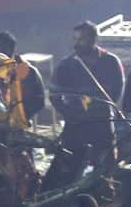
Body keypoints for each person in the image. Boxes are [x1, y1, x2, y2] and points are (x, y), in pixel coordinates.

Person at [50, 21, 125, 182]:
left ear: (94, 39)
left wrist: (101, 108)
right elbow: (54, 95)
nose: (77, 44)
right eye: (75, 39)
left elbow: (117, 91)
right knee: (71, 168)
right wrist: (70, 114)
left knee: (105, 167)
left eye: (82, 39)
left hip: (103, 122)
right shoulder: (66, 65)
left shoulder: (111, 61)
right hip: (76, 124)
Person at [0, 31, 46, 125]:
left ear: (7, 49)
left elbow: (37, 102)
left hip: (14, 124)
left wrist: (17, 118)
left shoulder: (28, 72)